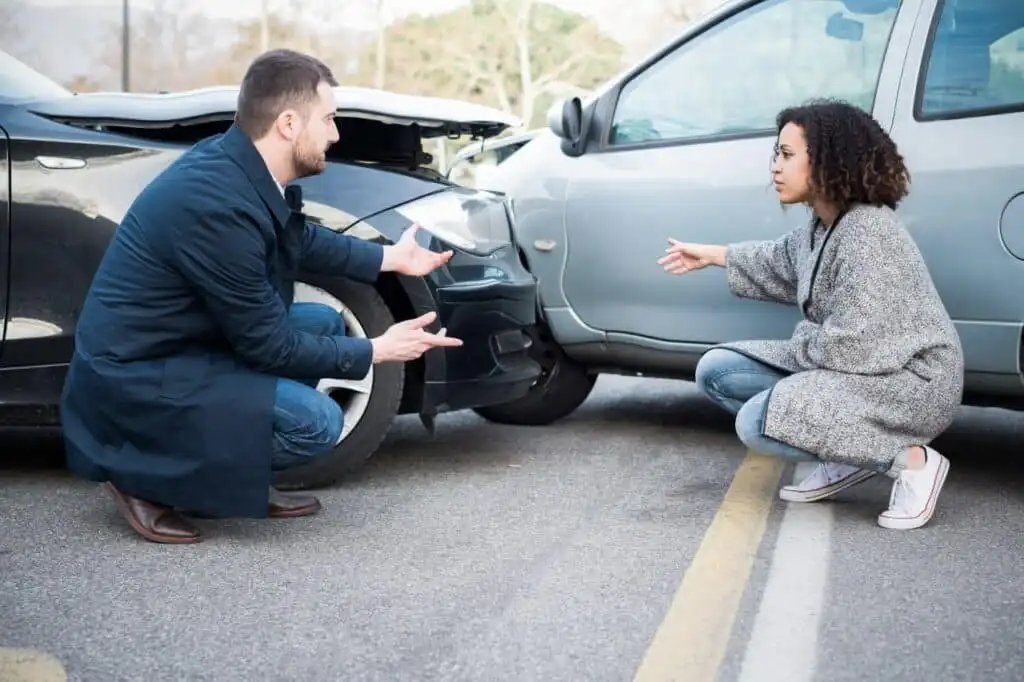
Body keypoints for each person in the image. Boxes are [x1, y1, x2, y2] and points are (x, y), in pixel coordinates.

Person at [60, 49, 463, 544]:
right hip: (139, 376)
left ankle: (237, 474)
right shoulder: (215, 205)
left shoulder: (239, 164)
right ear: (289, 124)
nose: (335, 135)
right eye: (329, 119)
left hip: (188, 340)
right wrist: (380, 349)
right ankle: (143, 477)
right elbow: (268, 347)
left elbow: (297, 239)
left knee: (325, 324)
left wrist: (390, 259)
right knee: (317, 423)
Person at [658, 99, 964, 530]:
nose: (775, 168)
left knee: (758, 422)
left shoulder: (867, 233)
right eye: (775, 155)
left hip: (910, 382)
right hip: (861, 368)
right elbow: (780, 260)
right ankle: (849, 453)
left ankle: (911, 461)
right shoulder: (824, 224)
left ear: (827, 161)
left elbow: (855, 346)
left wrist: (800, 344)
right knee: (718, 371)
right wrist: (711, 255)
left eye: (787, 155)